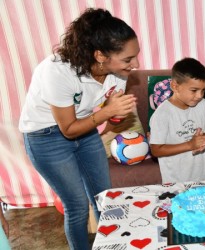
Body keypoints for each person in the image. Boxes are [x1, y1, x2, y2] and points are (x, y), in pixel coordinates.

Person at [19, 8, 139, 249]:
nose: (135, 64)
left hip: (85, 130)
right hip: (45, 137)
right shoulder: (56, 71)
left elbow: (106, 116)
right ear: (100, 56)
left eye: (135, 56)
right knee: (76, 205)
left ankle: (111, 245)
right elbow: (69, 130)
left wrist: (116, 114)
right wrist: (106, 112)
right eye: (128, 59)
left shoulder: (118, 74)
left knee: (106, 198)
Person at [149, 58, 205, 183]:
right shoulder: (163, 113)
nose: (199, 96)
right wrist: (190, 145)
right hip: (175, 182)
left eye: (203, 90)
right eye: (194, 90)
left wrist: (203, 140)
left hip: (204, 177)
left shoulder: (204, 105)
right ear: (175, 86)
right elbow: (156, 150)